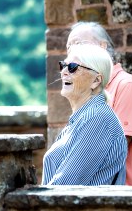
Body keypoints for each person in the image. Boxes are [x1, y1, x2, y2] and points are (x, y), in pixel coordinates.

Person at [66, 22, 132, 186]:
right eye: (69, 46)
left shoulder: (126, 86)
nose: (72, 50)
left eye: (78, 43)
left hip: (128, 197)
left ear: (103, 47)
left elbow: (112, 149)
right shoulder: (89, 91)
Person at [41, 43, 127, 185]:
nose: (64, 72)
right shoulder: (85, 117)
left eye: (73, 67)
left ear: (96, 81)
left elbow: (65, 186)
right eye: (63, 65)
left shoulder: (97, 119)